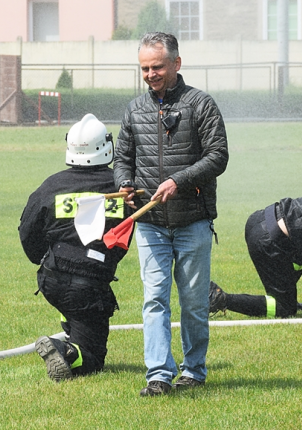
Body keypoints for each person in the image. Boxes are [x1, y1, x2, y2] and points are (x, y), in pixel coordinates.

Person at [114, 32, 229, 396]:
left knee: (194, 303)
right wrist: (124, 183)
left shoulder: (201, 104)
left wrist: (178, 180)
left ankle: (194, 370)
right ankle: (159, 375)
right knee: (154, 298)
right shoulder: (134, 110)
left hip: (192, 220)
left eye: (157, 66)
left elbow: (218, 156)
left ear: (176, 64)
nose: (150, 74)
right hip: (149, 224)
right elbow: (122, 158)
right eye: (145, 68)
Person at [19, 113, 131, 382]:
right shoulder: (122, 188)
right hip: (89, 284)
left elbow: (27, 231)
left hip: (52, 277)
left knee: (73, 305)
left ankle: (70, 331)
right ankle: (65, 350)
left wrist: (43, 259)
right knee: (92, 359)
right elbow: (123, 239)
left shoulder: (51, 186)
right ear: (107, 146)